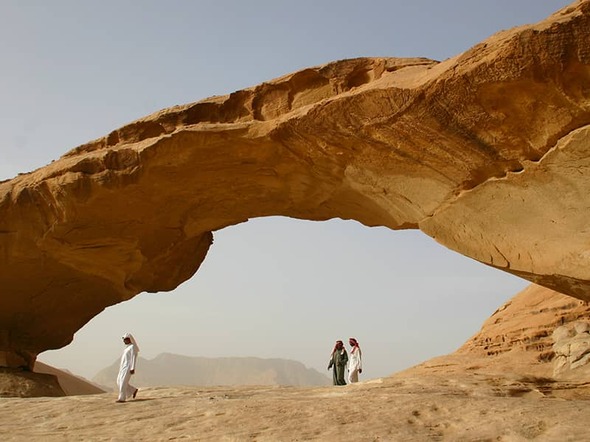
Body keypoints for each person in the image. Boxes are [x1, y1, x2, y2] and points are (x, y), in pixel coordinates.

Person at [116, 332, 139, 403]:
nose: (124, 341)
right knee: (119, 381)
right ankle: (133, 390)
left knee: (123, 382)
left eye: (125, 339)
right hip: (123, 367)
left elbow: (134, 357)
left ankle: (122, 398)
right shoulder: (127, 348)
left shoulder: (133, 347)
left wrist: (132, 368)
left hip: (128, 367)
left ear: (129, 339)